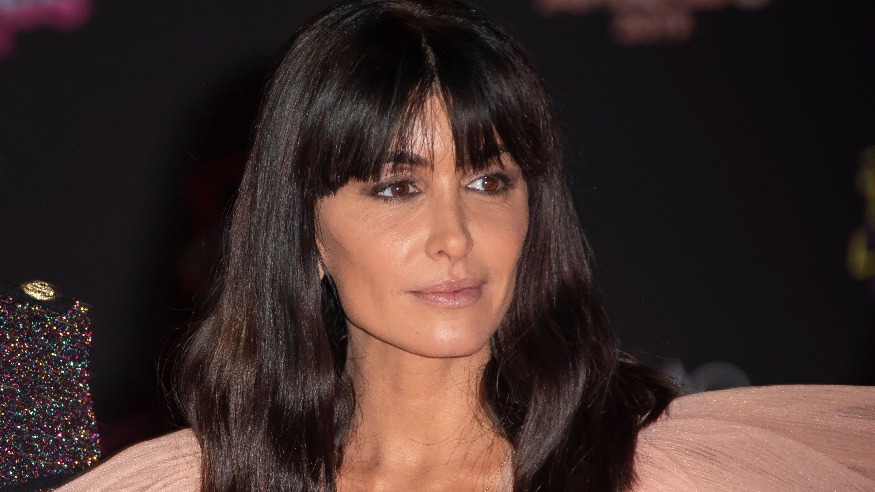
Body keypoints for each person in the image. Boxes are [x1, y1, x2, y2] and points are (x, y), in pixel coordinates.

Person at [58, 0, 875, 490]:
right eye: (395, 188)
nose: (454, 237)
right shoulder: (199, 483)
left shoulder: (668, 474)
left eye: (488, 182)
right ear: (305, 233)